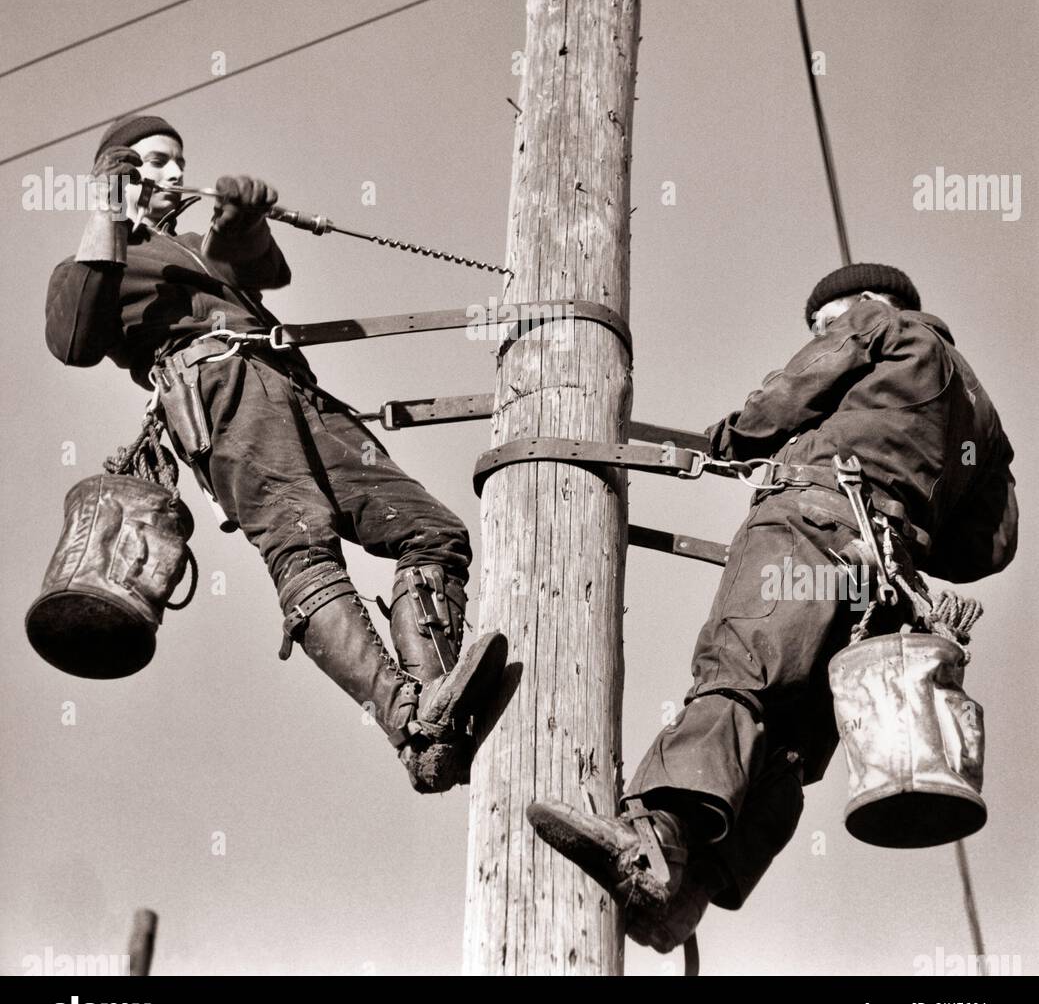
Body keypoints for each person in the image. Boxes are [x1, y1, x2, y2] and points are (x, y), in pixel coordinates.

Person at [528, 263, 1018, 955]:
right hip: (881, 589)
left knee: (739, 672)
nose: (822, 333)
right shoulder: (981, 407)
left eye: (823, 323)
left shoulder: (878, 323)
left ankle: (649, 839)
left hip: (809, 524)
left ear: (867, 302)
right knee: (789, 749)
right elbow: (989, 546)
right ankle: (684, 895)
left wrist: (732, 439)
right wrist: (903, 512)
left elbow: (791, 394)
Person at [45, 114, 507, 794]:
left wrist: (240, 222)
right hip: (218, 391)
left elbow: (263, 270)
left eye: (180, 160)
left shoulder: (197, 253)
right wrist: (107, 210)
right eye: (155, 161)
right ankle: (410, 725)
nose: (175, 173)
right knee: (301, 541)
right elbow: (75, 341)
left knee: (432, 531)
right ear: (121, 172)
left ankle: (437, 695)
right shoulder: (95, 261)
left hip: (295, 391)